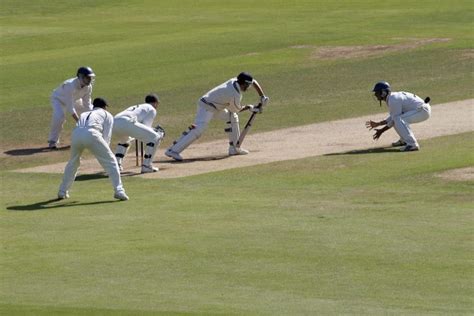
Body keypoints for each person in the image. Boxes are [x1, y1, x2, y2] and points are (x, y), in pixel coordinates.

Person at [165, 72, 269, 161]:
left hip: (215, 106)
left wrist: (262, 96)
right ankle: (173, 150)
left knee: (232, 117)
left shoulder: (235, 80)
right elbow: (237, 109)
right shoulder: (234, 94)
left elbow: (254, 81)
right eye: (248, 85)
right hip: (206, 106)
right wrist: (250, 107)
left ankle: (234, 148)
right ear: (243, 83)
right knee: (200, 129)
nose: (249, 87)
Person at [58, 97, 129, 201]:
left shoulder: (84, 114)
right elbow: (106, 137)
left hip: (76, 134)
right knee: (112, 161)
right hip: (92, 133)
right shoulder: (107, 114)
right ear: (104, 107)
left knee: (73, 162)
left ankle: (62, 191)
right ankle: (119, 191)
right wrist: (104, 151)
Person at [365, 81, 431, 152]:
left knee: (398, 120)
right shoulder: (392, 98)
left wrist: (381, 131)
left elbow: (394, 119)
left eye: (377, 92)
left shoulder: (393, 100)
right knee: (397, 119)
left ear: (383, 93)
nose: (375, 94)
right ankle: (404, 140)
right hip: (419, 110)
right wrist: (378, 124)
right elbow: (393, 116)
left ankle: (412, 145)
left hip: (422, 111)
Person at [113, 93, 164, 173]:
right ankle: (146, 166)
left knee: (126, 140)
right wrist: (157, 132)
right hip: (127, 122)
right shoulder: (151, 109)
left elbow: (142, 128)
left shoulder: (140, 106)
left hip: (115, 122)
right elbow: (146, 127)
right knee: (156, 138)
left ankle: (116, 166)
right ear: (155, 102)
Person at [48, 66, 96, 149]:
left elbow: (87, 104)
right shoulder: (69, 85)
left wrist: (93, 116)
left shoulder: (88, 87)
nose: (90, 80)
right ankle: (53, 141)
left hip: (74, 100)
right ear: (80, 77)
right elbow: (70, 107)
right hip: (59, 100)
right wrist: (79, 122)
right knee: (59, 117)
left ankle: (95, 134)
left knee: (92, 111)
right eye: (87, 78)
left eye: (90, 78)